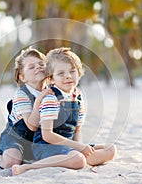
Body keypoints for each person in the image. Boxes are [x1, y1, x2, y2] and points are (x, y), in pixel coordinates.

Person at [12, 47, 116, 175]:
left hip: (69, 146)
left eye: (72, 71)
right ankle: (28, 167)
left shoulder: (77, 97)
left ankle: (70, 159)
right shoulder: (51, 98)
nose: (68, 76)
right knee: (78, 160)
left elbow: (77, 130)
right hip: (46, 147)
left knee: (110, 149)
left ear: (79, 73)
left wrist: (79, 147)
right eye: (60, 73)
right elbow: (47, 135)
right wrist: (78, 148)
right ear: (50, 78)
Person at [0, 47, 53, 169]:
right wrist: (39, 100)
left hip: (39, 139)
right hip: (16, 138)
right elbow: (31, 126)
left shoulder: (53, 92)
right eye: (31, 67)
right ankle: (1, 158)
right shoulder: (22, 95)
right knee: (12, 162)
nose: (38, 67)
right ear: (22, 77)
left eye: (41, 64)